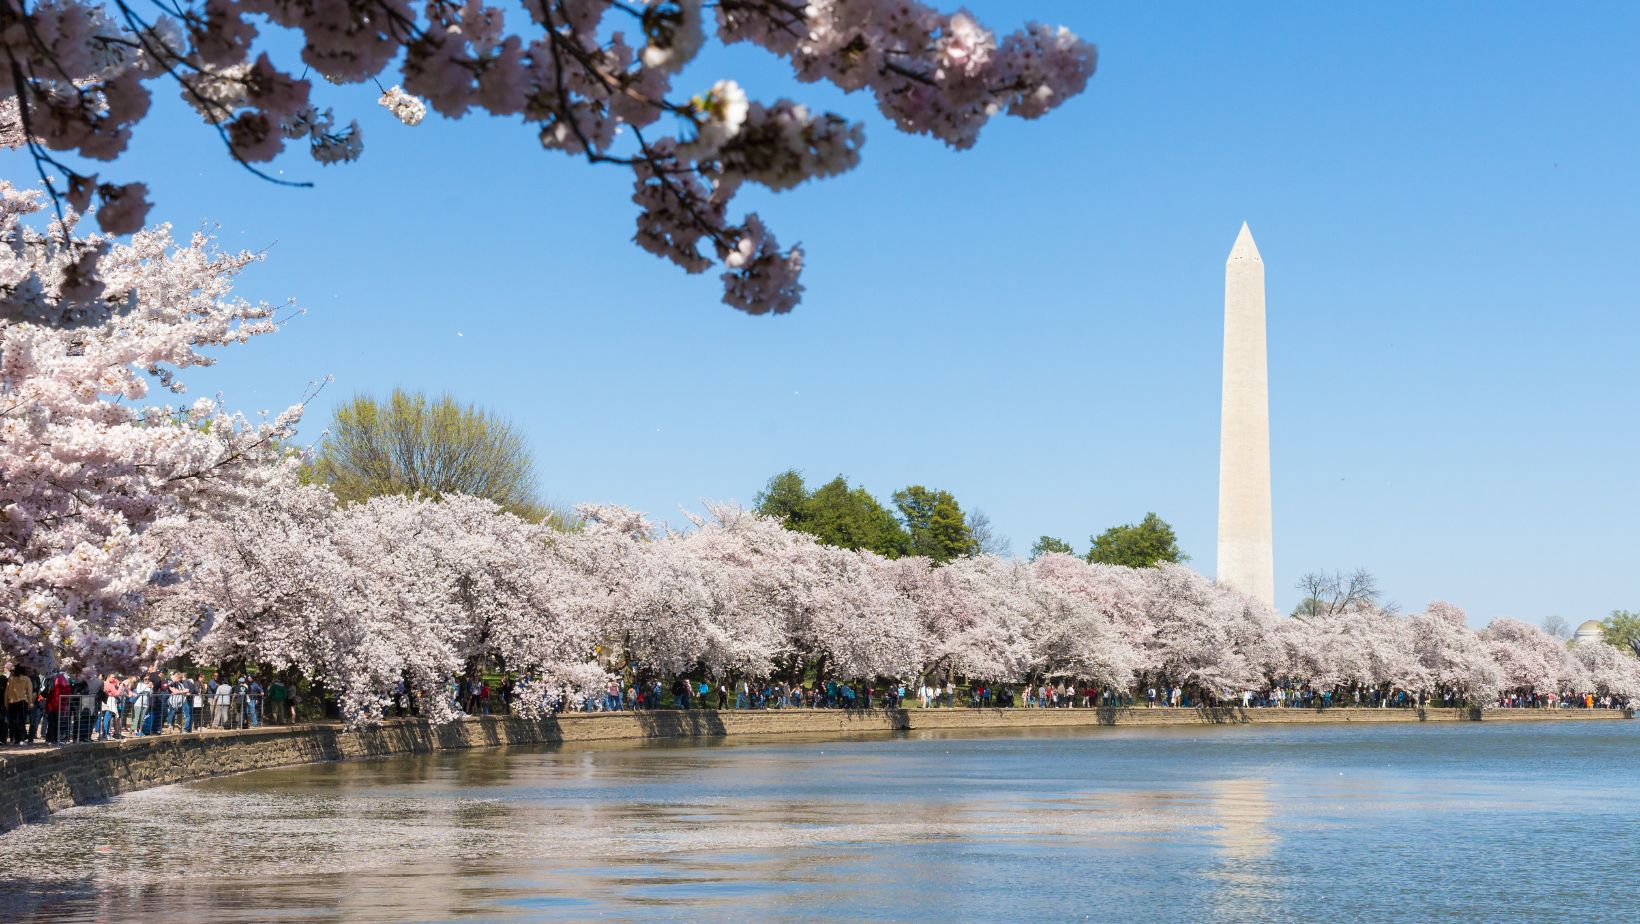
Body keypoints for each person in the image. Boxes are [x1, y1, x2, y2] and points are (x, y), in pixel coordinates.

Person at [5, 666, 33, 745]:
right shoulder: (27, 679)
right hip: (22, 702)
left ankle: (13, 739)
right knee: (21, 721)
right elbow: (29, 692)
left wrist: (6, 703)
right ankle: (20, 739)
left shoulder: (11, 679)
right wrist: (30, 702)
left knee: (12, 721)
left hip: (11, 702)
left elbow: (6, 693)